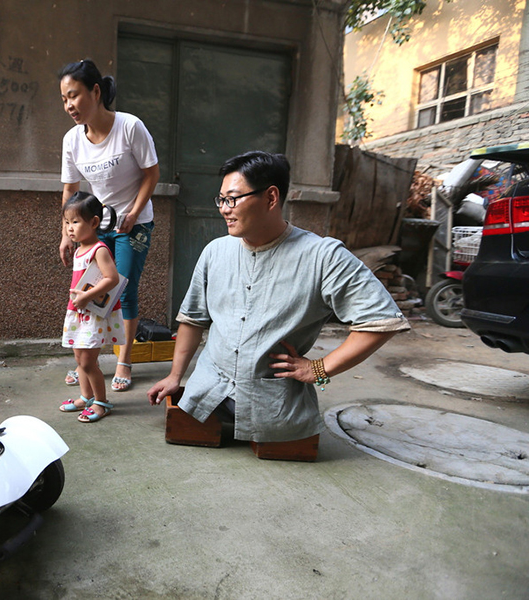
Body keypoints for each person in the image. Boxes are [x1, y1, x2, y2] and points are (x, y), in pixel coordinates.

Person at [147, 151, 410, 450]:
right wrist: (175, 376)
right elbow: (193, 319)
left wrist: (320, 369)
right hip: (205, 394)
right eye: (220, 200)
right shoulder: (215, 251)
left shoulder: (322, 256)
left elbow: (381, 321)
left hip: (275, 409)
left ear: (271, 198)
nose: (224, 209)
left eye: (232, 199)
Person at [58, 59, 160, 392]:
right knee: (90, 291)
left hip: (135, 223)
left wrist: (133, 212)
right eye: (64, 99)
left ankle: (124, 360)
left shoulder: (130, 127)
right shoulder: (72, 140)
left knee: (123, 290)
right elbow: (71, 190)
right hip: (95, 224)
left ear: (96, 91)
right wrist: (66, 233)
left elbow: (152, 174)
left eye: (74, 95)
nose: (69, 105)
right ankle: (86, 362)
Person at [58, 192, 126, 423]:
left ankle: (101, 402)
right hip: (78, 310)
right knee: (79, 359)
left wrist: (87, 296)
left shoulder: (99, 249)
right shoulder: (79, 250)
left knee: (88, 362)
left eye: (75, 222)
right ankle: (86, 397)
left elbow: (112, 278)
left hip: (93, 314)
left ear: (94, 223)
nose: (69, 228)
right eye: (67, 222)